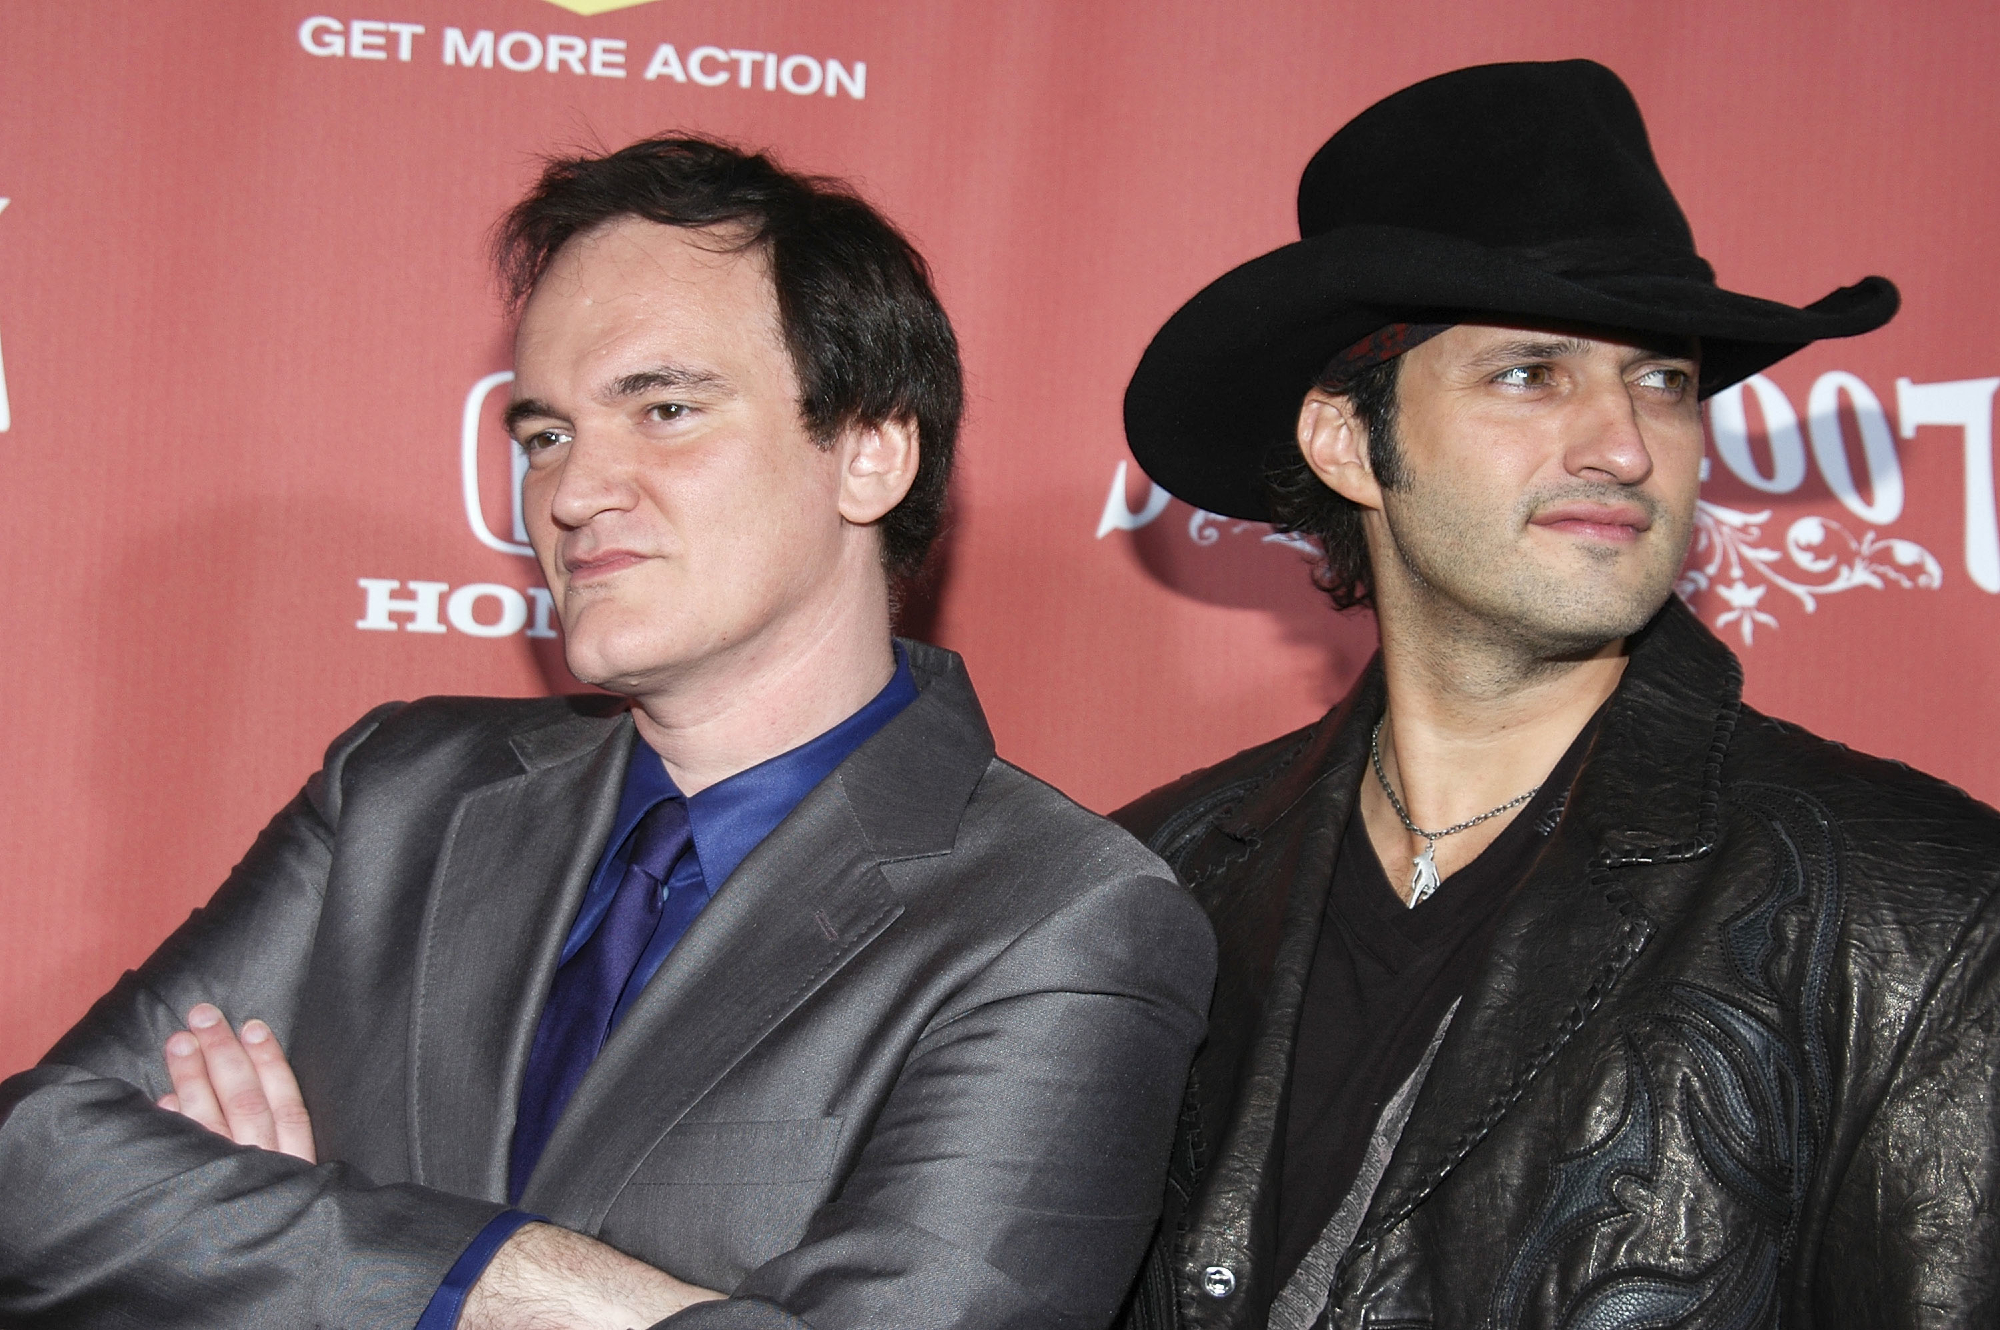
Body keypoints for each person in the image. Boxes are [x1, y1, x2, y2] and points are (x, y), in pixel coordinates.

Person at [0, 136, 1215, 1330]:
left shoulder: (1057, 916)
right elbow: (31, 1170)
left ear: (869, 453)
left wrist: (260, 1247)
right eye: (545, 435)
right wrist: (504, 1284)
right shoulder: (398, 791)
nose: (572, 493)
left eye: (665, 409)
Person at [1111, 60, 2000, 1330]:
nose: (1624, 445)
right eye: (1528, 373)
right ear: (1347, 441)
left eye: (1663, 381)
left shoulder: (1920, 917)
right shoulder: (1157, 883)